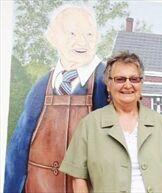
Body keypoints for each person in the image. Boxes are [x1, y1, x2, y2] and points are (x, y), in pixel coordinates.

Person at [4, 5, 108, 193]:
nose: (82, 41)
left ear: (98, 37)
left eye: (89, 34)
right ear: (53, 37)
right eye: (72, 33)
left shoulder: (107, 81)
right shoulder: (41, 86)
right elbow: (18, 150)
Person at [59, 52, 162, 193]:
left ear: (141, 84)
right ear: (108, 85)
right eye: (120, 79)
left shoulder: (161, 124)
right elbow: (78, 179)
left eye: (134, 79)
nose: (128, 85)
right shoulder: (89, 125)